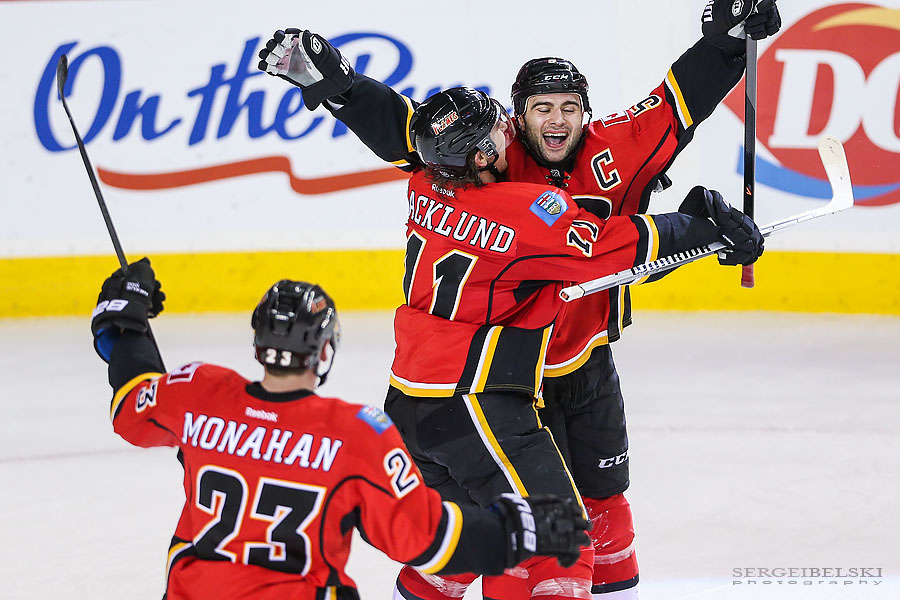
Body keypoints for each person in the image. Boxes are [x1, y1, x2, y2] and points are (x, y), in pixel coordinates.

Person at [257, 2, 780, 597]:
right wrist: (699, 231)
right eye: (538, 110)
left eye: (568, 108)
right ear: (514, 118)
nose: (554, 121)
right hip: (503, 386)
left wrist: (724, 44)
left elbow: (678, 100)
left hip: (579, 365)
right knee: (546, 537)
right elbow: (599, 245)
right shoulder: (501, 175)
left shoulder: (458, 167)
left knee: (600, 510)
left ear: (585, 112)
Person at [90, 258, 593, 600]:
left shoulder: (201, 395)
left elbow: (132, 402)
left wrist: (124, 320)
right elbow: (427, 540)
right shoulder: (352, 435)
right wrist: (518, 529)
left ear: (259, 342)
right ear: (324, 350)